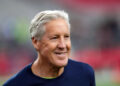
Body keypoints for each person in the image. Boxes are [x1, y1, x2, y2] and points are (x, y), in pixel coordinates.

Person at [3, 10, 96, 86]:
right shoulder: (16, 84)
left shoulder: (85, 73)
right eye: (54, 38)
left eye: (66, 37)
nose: (62, 45)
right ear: (36, 42)